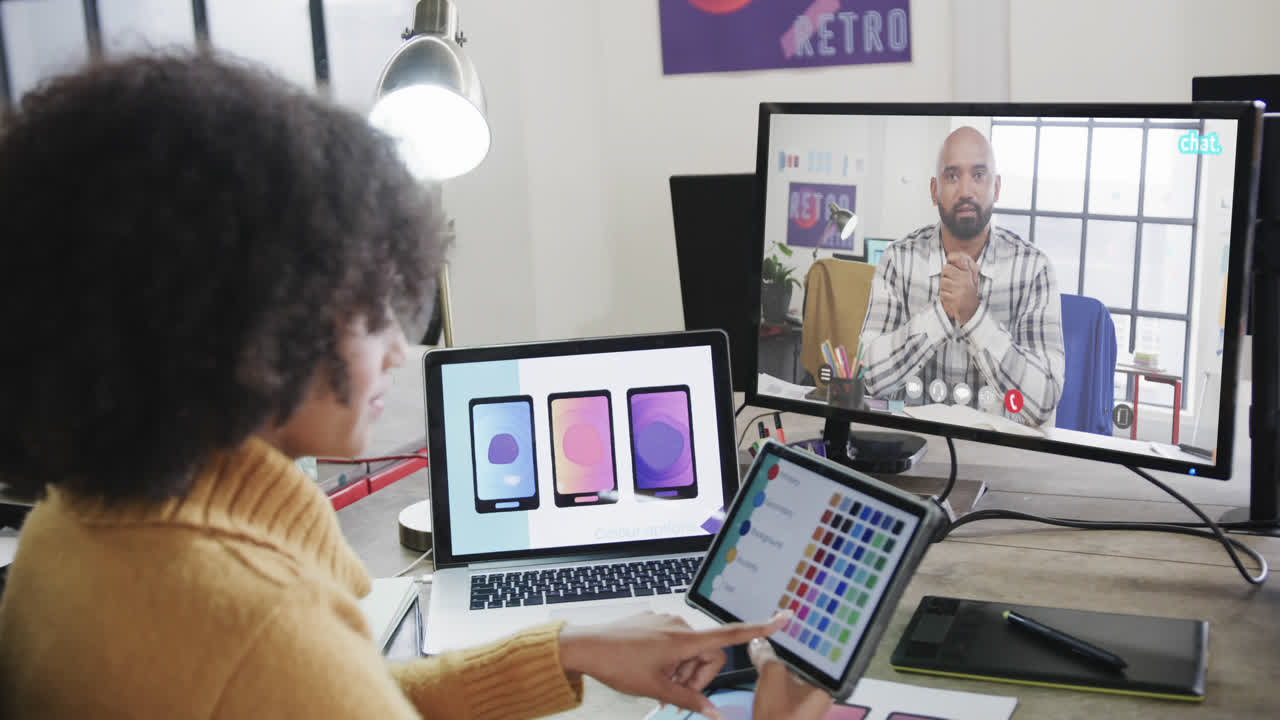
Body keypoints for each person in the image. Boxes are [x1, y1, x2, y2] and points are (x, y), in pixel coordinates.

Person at [0, 55, 832, 720]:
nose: (402, 348)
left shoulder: (68, 526)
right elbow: (302, 682)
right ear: (244, 316)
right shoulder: (255, 631)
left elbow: (349, 696)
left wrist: (568, 649)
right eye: (369, 308)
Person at [858, 126, 1065, 426]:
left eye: (979, 175)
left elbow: (1043, 401)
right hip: (914, 448)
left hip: (1000, 456)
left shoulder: (1034, 268)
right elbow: (869, 378)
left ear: (996, 187)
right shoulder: (898, 259)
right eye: (952, 176)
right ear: (934, 190)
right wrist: (941, 312)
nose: (966, 190)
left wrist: (973, 315)